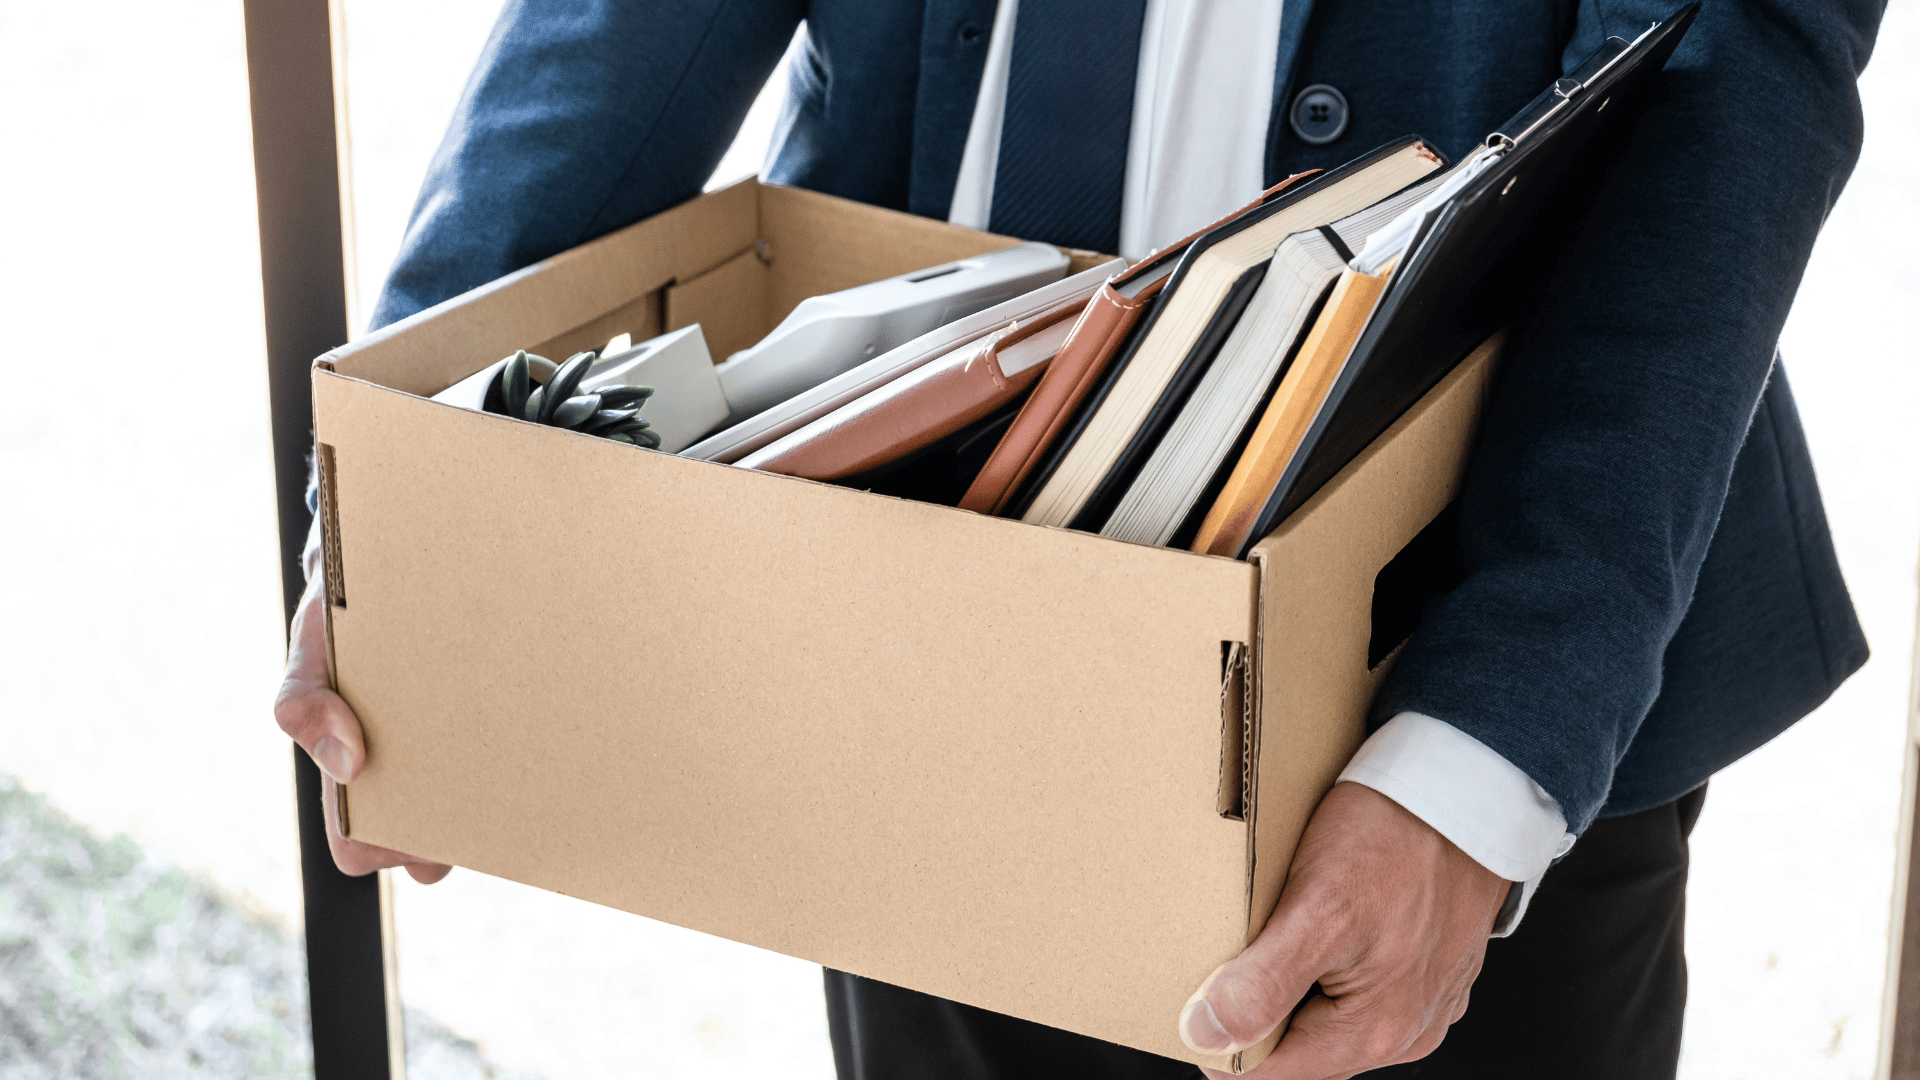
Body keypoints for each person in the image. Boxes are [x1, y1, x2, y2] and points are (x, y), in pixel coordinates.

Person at [273, 1, 1885, 1076]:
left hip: (1472, 625)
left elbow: (1730, 74)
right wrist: (415, 495)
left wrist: (1483, 753)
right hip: (906, 569)